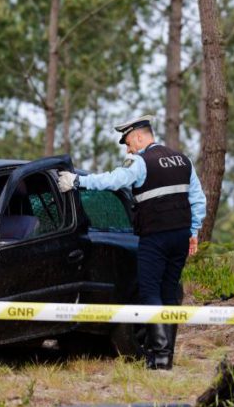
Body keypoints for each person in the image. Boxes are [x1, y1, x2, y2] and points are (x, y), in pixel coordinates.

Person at [57, 114, 206, 370]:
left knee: (150, 292)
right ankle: (166, 357)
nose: (128, 149)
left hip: (155, 237)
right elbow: (198, 199)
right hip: (180, 236)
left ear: (138, 137)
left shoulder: (141, 162)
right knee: (169, 292)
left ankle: (159, 357)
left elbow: (113, 180)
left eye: (128, 143)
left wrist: (78, 181)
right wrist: (193, 231)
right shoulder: (183, 160)